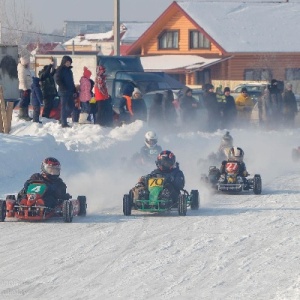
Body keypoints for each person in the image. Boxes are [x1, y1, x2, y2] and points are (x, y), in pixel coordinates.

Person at [54, 55, 76, 128]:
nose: (68, 63)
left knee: (71, 106)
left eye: (69, 62)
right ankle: (64, 122)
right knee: (63, 107)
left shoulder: (69, 71)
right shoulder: (60, 69)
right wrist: (62, 86)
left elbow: (71, 81)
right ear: (64, 62)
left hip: (70, 91)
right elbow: (57, 79)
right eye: (67, 62)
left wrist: (74, 89)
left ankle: (62, 118)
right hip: (63, 91)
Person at [17, 56, 33, 121]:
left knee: (27, 101)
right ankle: (22, 115)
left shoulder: (26, 69)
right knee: (24, 101)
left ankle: (26, 114)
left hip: (28, 88)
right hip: (24, 89)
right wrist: (25, 88)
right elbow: (22, 79)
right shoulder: (22, 69)